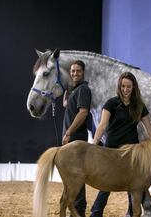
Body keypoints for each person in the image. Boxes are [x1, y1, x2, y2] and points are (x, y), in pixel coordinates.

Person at [90, 72, 151, 217]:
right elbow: (102, 125)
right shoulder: (111, 103)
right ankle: (96, 213)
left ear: (134, 88)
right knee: (106, 184)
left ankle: (131, 213)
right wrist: (94, 145)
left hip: (132, 153)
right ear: (119, 87)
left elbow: (150, 128)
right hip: (112, 151)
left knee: (134, 185)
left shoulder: (139, 106)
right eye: (123, 86)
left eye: (129, 87)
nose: (125, 90)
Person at [62, 60, 92, 217]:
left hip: (76, 140)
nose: (74, 73)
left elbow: (83, 112)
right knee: (71, 178)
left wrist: (68, 132)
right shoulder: (76, 90)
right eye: (72, 71)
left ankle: (78, 212)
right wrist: (67, 102)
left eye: (78, 71)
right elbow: (73, 108)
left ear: (83, 72)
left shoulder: (84, 89)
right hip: (72, 140)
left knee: (77, 178)